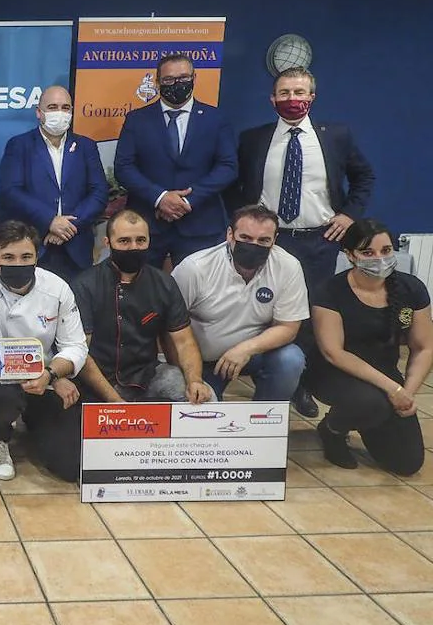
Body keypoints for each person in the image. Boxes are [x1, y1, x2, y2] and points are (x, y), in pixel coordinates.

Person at [230, 66, 375, 417]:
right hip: (266, 242)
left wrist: (349, 215)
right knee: (252, 308)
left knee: (308, 316)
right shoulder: (253, 139)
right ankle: (258, 374)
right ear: (272, 99)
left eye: (299, 93)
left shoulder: (335, 136)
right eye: (284, 93)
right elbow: (233, 187)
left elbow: (363, 176)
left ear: (311, 97)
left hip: (318, 241)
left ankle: (300, 386)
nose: (291, 99)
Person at [0, 221, 88, 482]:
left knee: (69, 466)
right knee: (1, 394)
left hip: (47, 373)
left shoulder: (57, 288)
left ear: (37, 257)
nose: (17, 264)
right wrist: (48, 376)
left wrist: (54, 374)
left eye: (26, 257)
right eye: (8, 257)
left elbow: (76, 345)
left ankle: (32, 419)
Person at [309, 220, 429, 475]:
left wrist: (406, 392)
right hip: (335, 374)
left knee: (407, 463)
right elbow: (334, 353)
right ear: (350, 255)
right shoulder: (329, 291)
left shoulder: (411, 288)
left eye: (386, 251)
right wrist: (391, 388)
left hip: (385, 374)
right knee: (371, 402)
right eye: (368, 252)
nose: (379, 258)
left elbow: (424, 347)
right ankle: (332, 430)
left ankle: (368, 418)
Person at [71, 210, 217, 404]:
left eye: (140, 240)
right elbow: (81, 352)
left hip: (148, 374)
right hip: (100, 378)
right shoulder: (85, 285)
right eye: (124, 241)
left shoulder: (164, 283)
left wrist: (195, 381)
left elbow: (184, 342)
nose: (134, 247)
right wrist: (115, 401)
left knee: (205, 397)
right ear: (108, 243)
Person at [172, 205, 308, 402]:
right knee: (206, 415)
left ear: (274, 240)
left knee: (291, 359)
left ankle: (264, 423)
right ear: (230, 234)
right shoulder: (195, 268)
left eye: (263, 240)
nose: (253, 245)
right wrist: (190, 375)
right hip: (202, 362)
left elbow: (288, 327)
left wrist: (245, 349)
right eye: (245, 238)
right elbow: (169, 326)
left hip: (254, 354)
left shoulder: (288, 266)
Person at [113, 54, 238, 267]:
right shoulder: (137, 120)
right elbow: (123, 167)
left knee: (201, 294)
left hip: (201, 224)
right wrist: (160, 197)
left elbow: (228, 167)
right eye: (169, 79)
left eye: (183, 78)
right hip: (148, 225)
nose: (176, 84)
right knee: (140, 290)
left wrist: (187, 201)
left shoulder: (216, 119)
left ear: (194, 78)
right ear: (157, 81)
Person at [0, 85, 108, 281]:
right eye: (53, 107)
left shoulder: (86, 146)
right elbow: (11, 192)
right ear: (39, 113)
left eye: (66, 108)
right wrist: (50, 221)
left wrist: (66, 226)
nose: (60, 113)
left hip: (77, 246)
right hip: (34, 244)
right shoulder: (19, 145)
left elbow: (99, 193)